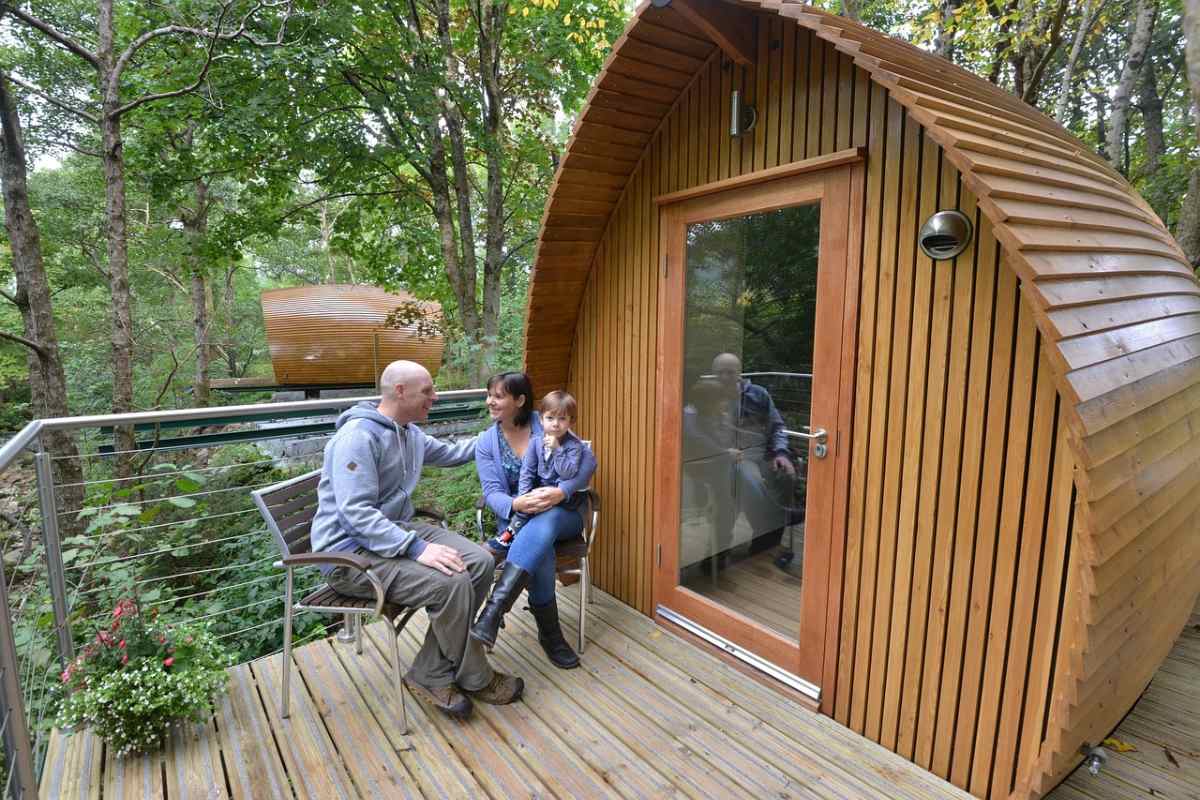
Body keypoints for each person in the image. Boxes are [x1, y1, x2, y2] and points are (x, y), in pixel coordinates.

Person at [309, 360, 523, 720]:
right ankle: (475, 675)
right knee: (450, 583)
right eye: (428, 391)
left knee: (481, 561)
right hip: (349, 555)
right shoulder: (357, 438)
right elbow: (355, 515)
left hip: (392, 532)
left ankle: (429, 671)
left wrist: (503, 427)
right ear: (400, 391)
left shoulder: (408, 432)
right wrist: (418, 548)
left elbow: (454, 453)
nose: (435, 398)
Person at [472, 372, 586, 669]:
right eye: (489, 395)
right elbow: (492, 493)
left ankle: (493, 612)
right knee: (540, 544)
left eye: (498, 396)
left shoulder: (549, 419)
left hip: (564, 515)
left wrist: (562, 492)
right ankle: (550, 634)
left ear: (520, 400)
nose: (490, 401)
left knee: (544, 524)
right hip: (517, 519)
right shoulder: (486, 442)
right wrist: (516, 502)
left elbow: (583, 461)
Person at [501, 391, 596, 544]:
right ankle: (512, 535)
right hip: (542, 493)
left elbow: (568, 474)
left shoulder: (574, 446)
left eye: (562, 418)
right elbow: (527, 472)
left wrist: (557, 450)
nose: (555, 424)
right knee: (531, 504)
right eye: (550, 418)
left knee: (541, 512)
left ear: (571, 422)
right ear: (541, 419)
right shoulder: (536, 441)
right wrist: (524, 497)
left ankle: (511, 536)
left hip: (565, 501)